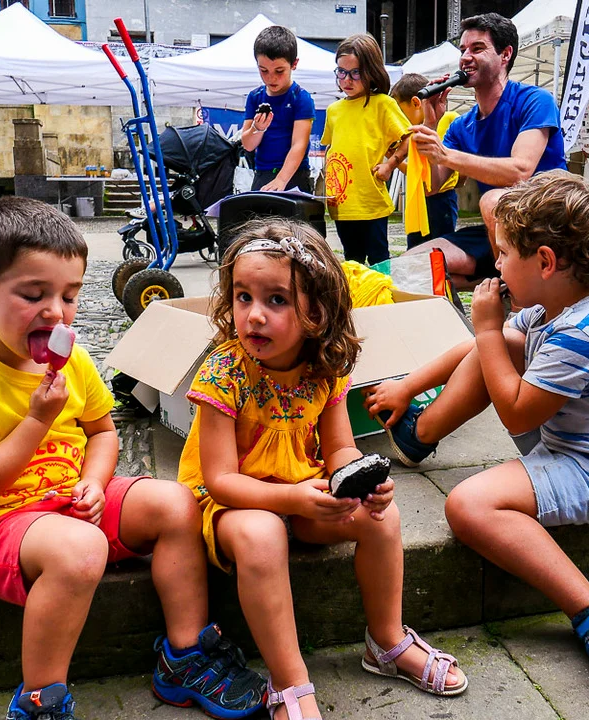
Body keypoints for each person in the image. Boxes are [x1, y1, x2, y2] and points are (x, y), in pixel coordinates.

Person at [0, 197, 266, 720]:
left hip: (72, 504)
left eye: (69, 295)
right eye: (34, 295)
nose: (56, 312)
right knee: (80, 549)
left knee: (176, 502)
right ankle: (41, 699)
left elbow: (102, 433)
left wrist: (97, 483)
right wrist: (36, 420)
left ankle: (185, 656)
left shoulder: (72, 360)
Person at [364, 171, 589, 694]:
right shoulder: (552, 307)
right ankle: (419, 433)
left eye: (502, 254)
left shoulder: (583, 332)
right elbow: (484, 351)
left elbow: (517, 414)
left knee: (468, 507)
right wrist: (407, 387)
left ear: (545, 262)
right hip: (573, 440)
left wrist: (484, 329)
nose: (495, 265)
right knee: (498, 346)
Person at [178, 218, 468, 720]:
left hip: (303, 490)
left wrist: (360, 480)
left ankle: (387, 641)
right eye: (243, 297)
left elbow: (338, 449)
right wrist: (291, 499)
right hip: (232, 503)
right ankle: (290, 683)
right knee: (263, 533)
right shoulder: (224, 373)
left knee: (382, 518)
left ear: (317, 311)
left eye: (276, 300)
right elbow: (220, 481)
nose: (254, 315)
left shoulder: (324, 368)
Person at [411, 13, 566, 287]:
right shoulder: (461, 125)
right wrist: (431, 123)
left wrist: (446, 154)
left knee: (493, 201)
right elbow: (433, 186)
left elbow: (520, 171)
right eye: (463, 50)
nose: (465, 57)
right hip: (500, 230)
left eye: (477, 48)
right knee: (415, 265)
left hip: (550, 221)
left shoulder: (535, 101)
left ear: (506, 54)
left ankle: (515, 293)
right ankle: (501, 281)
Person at [321, 34, 409, 266]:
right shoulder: (333, 110)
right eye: (341, 72)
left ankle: (384, 291)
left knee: (380, 261)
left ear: (371, 71)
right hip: (342, 204)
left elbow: (409, 138)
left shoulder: (383, 104)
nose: (347, 80)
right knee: (352, 261)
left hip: (371, 202)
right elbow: (331, 148)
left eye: (355, 73)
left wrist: (390, 165)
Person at [241, 26, 316, 193]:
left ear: (294, 64)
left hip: (294, 174)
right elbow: (248, 145)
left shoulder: (301, 97)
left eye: (279, 71)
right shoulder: (255, 97)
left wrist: (281, 179)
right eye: (263, 71)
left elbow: (299, 144)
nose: (271, 78)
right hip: (263, 173)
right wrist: (257, 128)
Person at [389, 73, 460, 248]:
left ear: (416, 103)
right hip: (417, 198)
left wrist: (461, 178)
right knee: (415, 248)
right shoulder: (413, 132)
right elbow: (416, 172)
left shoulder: (450, 120)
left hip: (441, 199)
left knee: (440, 247)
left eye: (399, 111)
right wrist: (393, 160)